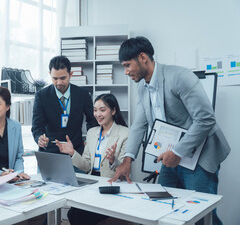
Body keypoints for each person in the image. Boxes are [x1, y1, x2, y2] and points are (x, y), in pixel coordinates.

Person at [109, 37, 231, 225]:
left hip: (200, 154)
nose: (125, 72)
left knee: (202, 217)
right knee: (161, 209)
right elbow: (139, 125)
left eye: (127, 65)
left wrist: (177, 152)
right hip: (172, 155)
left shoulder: (180, 77)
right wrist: (127, 160)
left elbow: (206, 119)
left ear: (143, 57)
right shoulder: (142, 86)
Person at [56, 93, 129, 225]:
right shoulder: (91, 133)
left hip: (111, 185)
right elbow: (86, 165)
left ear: (113, 111)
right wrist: (72, 153)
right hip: (92, 183)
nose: (97, 114)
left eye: (102, 110)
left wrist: (113, 160)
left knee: (81, 216)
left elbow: (125, 168)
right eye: (95, 110)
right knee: (73, 213)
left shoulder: (125, 133)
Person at [32, 55, 97, 156]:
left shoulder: (83, 95)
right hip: (49, 153)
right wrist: (39, 138)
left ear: (71, 74)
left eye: (63, 78)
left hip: (76, 152)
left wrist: (90, 142)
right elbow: (37, 126)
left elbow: (92, 121)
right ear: (50, 74)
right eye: (55, 78)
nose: (59, 83)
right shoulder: (41, 96)